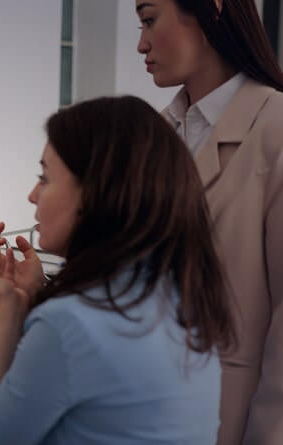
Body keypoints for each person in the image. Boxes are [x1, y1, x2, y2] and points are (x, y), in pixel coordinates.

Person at [0, 96, 234, 444]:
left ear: (96, 194)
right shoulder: (184, 297)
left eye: (44, 178)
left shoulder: (68, 324)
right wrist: (37, 295)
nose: (32, 195)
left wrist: (7, 310)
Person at [135, 1, 283, 442]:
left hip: (229, 418)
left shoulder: (275, 130)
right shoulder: (159, 135)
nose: (141, 44)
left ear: (210, 10)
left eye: (149, 20)